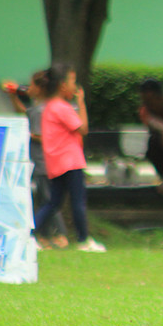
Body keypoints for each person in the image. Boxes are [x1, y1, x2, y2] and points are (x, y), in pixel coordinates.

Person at [34, 64, 106, 253]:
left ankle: (30, 235)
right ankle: (84, 240)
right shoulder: (61, 107)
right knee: (78, 201)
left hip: (57, 162)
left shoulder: (50, 107)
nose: (75, 86)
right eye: (72, 81)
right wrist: (81, 103)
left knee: (53, 202)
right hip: (70, 161)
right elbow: (83, 128)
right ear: (62, 85)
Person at [5, 71, 69, 249]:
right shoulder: (38, 107)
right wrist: (13, 96)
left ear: (40, 88)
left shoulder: (42, 110)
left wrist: (26, 134)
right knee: (42, 198)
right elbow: (25, 114)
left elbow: (44, 136)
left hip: (44, 161)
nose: (29, 87)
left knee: (49, 199)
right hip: (40, 161)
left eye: (32, 84)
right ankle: (45, 237)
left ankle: (61, 235)